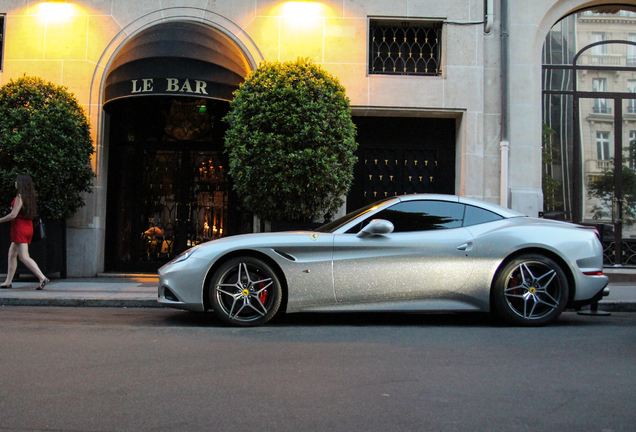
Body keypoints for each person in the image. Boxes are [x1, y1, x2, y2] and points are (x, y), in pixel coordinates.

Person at [0, 174, 49, 290]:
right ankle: (8, 281)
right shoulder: (30, 197)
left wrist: (0, 220)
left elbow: (13, 215)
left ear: (21, 184)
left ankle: (42, 277)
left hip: (19, 229)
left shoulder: (20, 197)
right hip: (27, 227)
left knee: (23, 256)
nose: (15, 183)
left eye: (17, 182)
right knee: (12, 254)